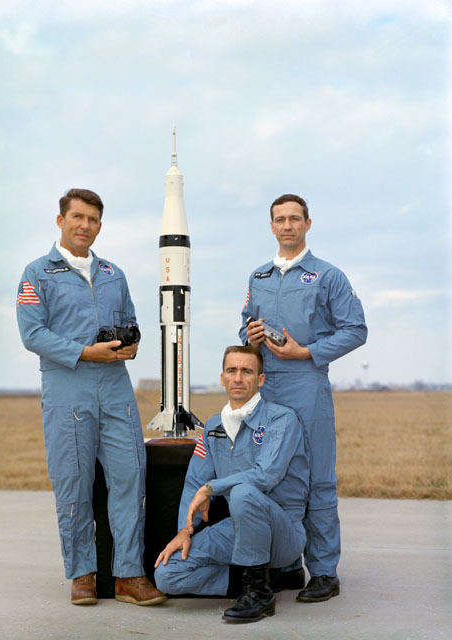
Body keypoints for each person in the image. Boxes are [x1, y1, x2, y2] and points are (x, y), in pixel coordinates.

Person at [16, 188, 166, 607]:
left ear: (101, 225)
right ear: (60, 220)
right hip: (68, 391)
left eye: (93, 220)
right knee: (74, 485)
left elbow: (131, 323)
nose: (85, 226)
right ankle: (82, 573)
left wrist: (130, 345)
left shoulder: (114, 273)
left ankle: (129, 575)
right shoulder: (37, 273)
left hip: (116, 389)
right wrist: (84, 352)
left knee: (130, 479)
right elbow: (33, 334)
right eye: (78, 217)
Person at [239, 193, 367, 602]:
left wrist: (306, 352)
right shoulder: (258, 277)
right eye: (280, 219)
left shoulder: (328, 276)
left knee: (316, 481)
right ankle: (288, 565)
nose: (288, 226)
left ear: (308, 224)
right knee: (274, 478)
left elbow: (355, 329)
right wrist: (251, 337)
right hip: (266, 389)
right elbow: (244, 327)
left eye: (295, 219)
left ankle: (325, 572)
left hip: (306, 383)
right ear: (271, 225)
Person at [154, 345, 309, 624]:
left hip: (281, 533)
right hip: (236, 529)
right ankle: (258, 578)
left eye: (247, 371)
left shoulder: (281, 419)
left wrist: (211, 488)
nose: (238, 378)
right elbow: (194, 482)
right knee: (167, 575)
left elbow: (266, 475)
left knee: (243, 492)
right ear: (222, 378)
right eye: (232, 371)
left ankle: (260, 595)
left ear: (260, 379)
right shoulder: (213, 427)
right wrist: (184, 530)